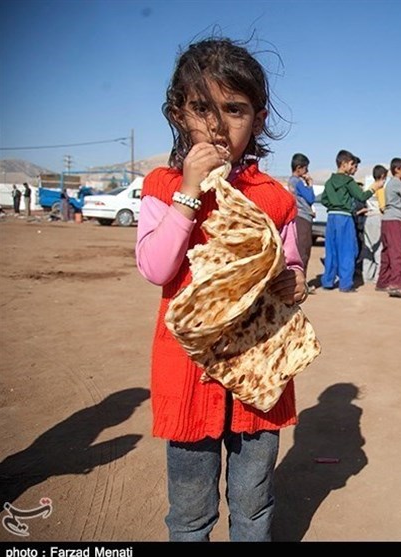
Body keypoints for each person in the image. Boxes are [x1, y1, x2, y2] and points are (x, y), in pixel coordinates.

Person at [135, 37, 309, 542]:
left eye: (233, 109)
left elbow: (291, 265)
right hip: (189, 373)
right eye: (200, 108)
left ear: (257, 118)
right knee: (190, 513)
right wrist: (189, 192)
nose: (216, 125)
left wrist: (294, 281)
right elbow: (156, 266)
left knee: (254, 504)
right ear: (177, 114)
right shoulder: (162, 186)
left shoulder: (275, 199)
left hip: (258, 374)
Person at [320, 150, 383, 293]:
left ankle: (328, 281)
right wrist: (373, 188)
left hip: (331, 218)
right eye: (352, 164)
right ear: (344, 164)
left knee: (331, 250)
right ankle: (345, 284)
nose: (354, 168)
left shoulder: (329, 182)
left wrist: (333, 205)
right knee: (348, 251)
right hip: (345, 218)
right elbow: (361, 196)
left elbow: (324, 199)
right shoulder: (348, 181)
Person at [376, 157, 401, 298]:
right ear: (397, 170)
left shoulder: (389, 184)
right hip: (394, 220)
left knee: (386, 252)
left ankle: (383, 282)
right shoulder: (399, 184)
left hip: (386, 220)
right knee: (397, 252)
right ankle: (396, 284)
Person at [287, 153, 316, 283]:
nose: (307, 171)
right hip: (303, 218)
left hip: (296, 217)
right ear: (299, 168)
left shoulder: (291, 181)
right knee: (304, 251)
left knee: (297, 250)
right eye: (306, 168)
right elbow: (311, 198)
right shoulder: (298, 182)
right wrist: (309, 184)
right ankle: (301, 282)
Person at [361, 165, 387, 284]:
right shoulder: (380, 189)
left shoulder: (369, 188)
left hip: (368, 218)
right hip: (377, 218)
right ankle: (378, 277)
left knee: (368, 249)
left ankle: (366, 276)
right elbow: (383, 207)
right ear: (382, 176)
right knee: (378, 249)